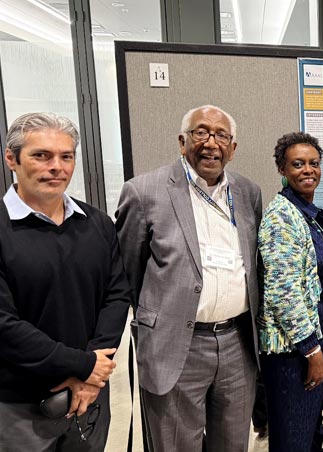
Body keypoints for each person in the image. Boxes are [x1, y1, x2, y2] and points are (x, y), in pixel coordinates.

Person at [116, 105, 262, 451]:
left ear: (233, 147)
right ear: (183, 142)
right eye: (201, 132)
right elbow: (129, 272)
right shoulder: (143, 192)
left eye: (221, 135)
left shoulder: (248, 193)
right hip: (176, 345)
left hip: (237, 343)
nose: (211, 142)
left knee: (232, 444)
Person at [0, 112, 130, 451]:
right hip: (19, 405)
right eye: (41, 155)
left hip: (90, 398)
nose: (56, 166)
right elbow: (5, 325)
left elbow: (116, 296)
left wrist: (91, 373)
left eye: (66, 156)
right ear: (11, 159)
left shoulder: (98, 224)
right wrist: (83, 365)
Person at [258, 132, 323, 451]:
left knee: (310, 431)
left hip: (321, 334)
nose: (308, 170)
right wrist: (311, 350)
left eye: (313, 163)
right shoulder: (282, 218)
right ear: (282, 169)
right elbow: (284, 294)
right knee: (293, 437)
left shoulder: (310, 213)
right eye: (298, 164)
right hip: (293, 350)